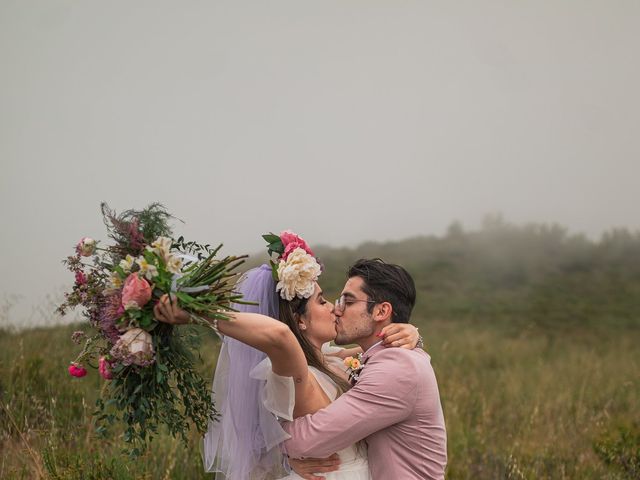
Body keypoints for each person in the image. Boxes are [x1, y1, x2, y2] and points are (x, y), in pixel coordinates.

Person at [154, 232, 420, 479]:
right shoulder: (297, 370)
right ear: (299, 321)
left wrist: (412, 335)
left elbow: (372, 350)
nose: (334, 309)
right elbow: (280, 336)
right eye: (322, 301)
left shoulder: (330, 360)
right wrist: (199, 314)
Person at [282, 258, 447, 480]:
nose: (337, 310)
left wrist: (270, 447)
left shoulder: (396, 370)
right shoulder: (386, 357)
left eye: (348, 302)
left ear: (381, 312)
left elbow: (311, 437)